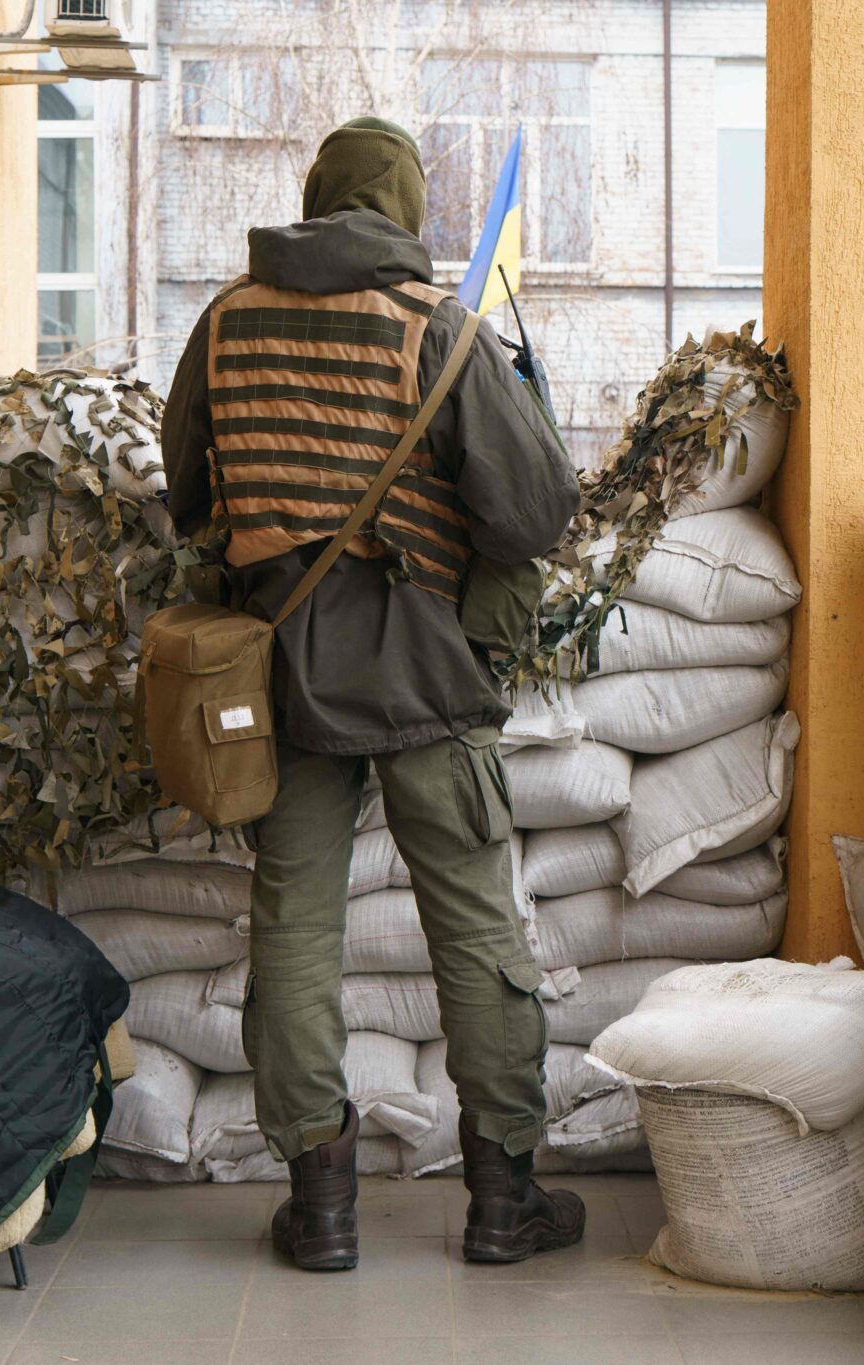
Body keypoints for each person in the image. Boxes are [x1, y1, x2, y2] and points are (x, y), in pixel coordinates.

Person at [160, 117, 585, 1272]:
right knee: (475, 928)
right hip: (422, 671)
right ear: (401, 214)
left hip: (279, 673)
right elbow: (534, 515)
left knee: (294, 929)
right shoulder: (433, 331)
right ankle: (504, 1199)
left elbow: (188, 488)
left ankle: (322, 1203)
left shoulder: (224, 323)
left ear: (312, 202)